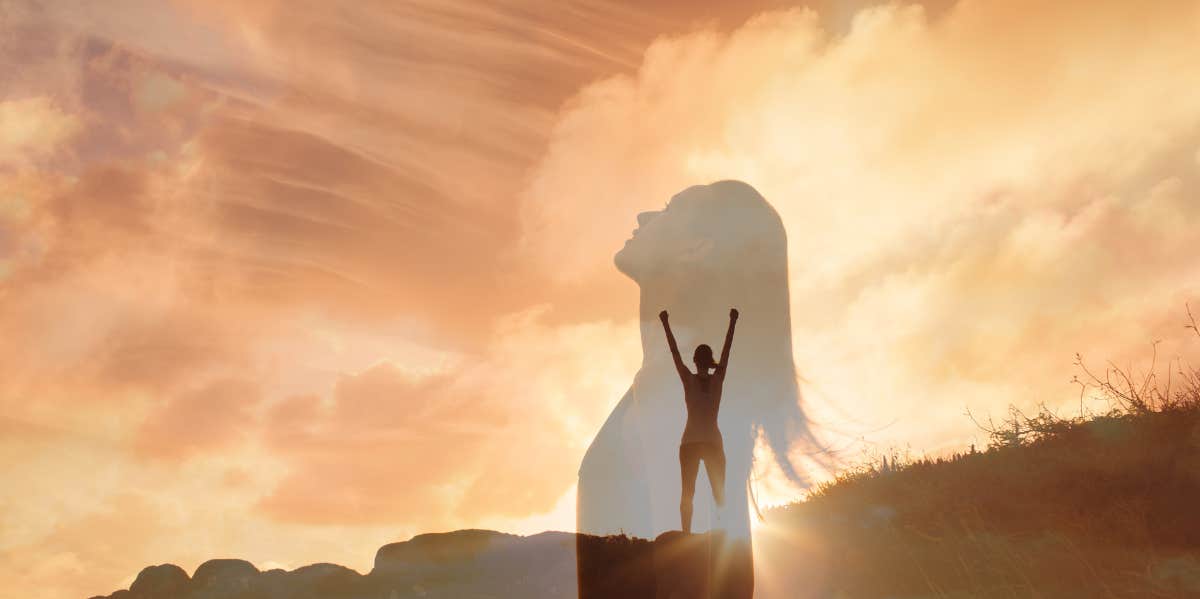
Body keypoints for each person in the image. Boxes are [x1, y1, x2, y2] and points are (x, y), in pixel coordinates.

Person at [659, 308, 738, 534]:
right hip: (711, 442)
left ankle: (686, 533)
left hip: (691, 442)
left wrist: (665, 322)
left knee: (688, 493)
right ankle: (722, 531)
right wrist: (733, 321)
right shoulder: (717, 379)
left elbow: (674, 352)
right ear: (708, 360)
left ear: (695, 361)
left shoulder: (689, 379)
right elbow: (727, 349)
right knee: (718, 493)